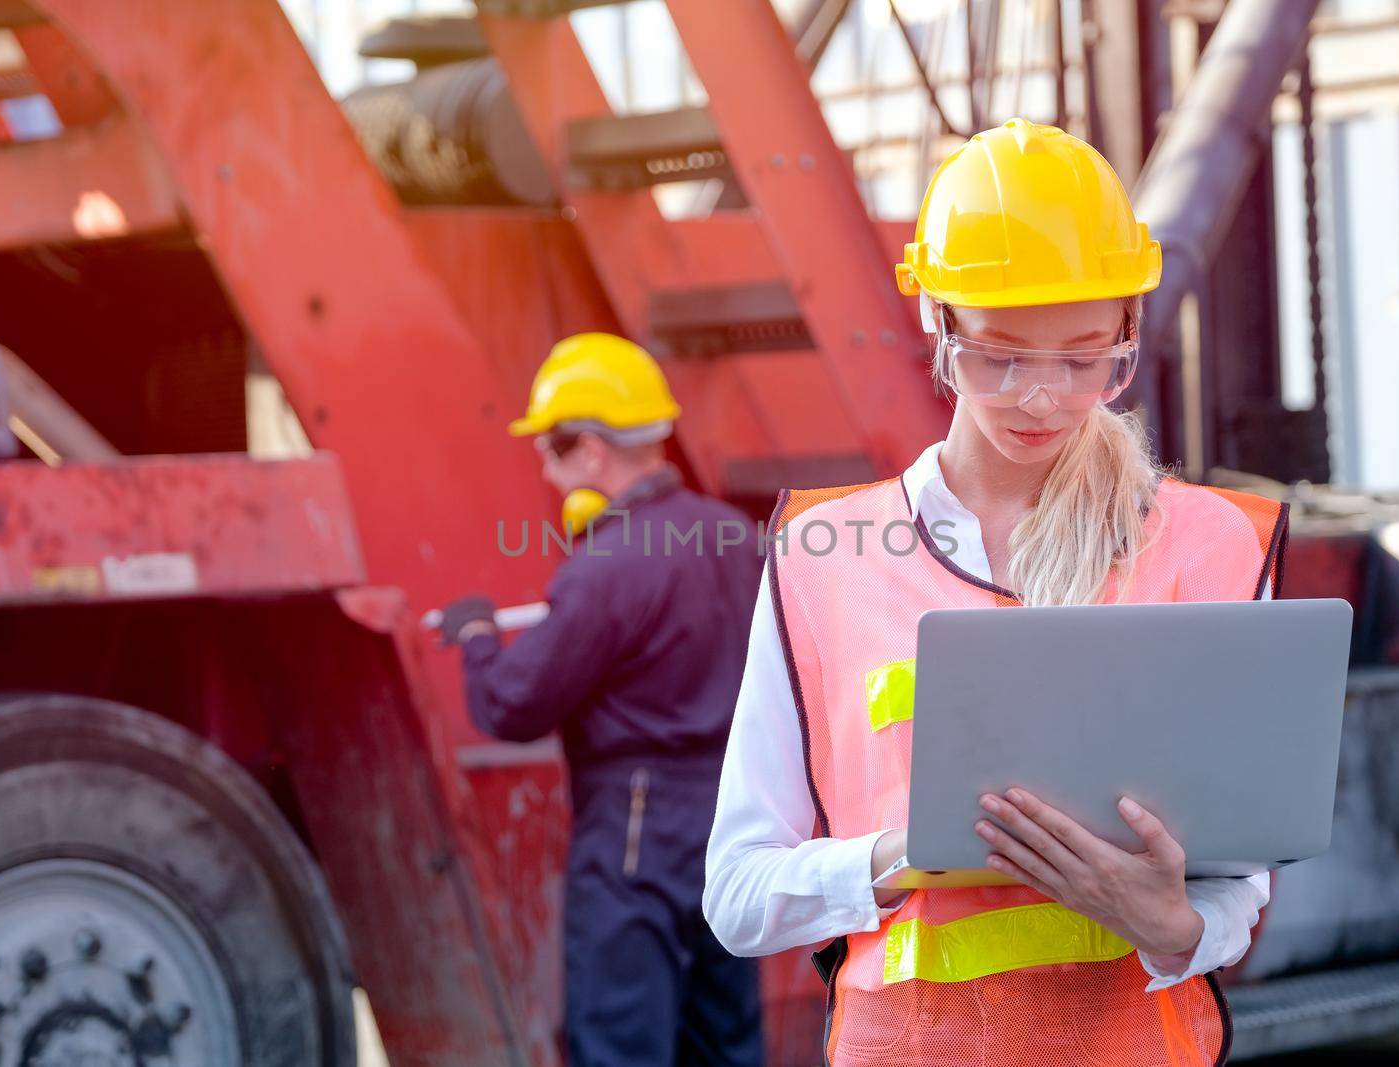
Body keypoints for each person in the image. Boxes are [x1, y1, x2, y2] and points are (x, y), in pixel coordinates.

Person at [703, 119, 1288, 1066]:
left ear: (1128, 332)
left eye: (1085, 357)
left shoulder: (1204, 544)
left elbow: (1239, 883)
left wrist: (1171, 923)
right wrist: (895, 857)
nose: (1041, 397)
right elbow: (735, 895)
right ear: (938, 322)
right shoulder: (826, 556)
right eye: (999, 354)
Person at [439, 332, 765, 1067]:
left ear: (591, 450)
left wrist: (478, 636)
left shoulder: (607, 564)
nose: (548, 473)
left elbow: (513, 706)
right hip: (733, 824)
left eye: (551, 452)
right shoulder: (736, 539)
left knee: (620, 1042)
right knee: (725, 1040)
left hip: (635, 834)